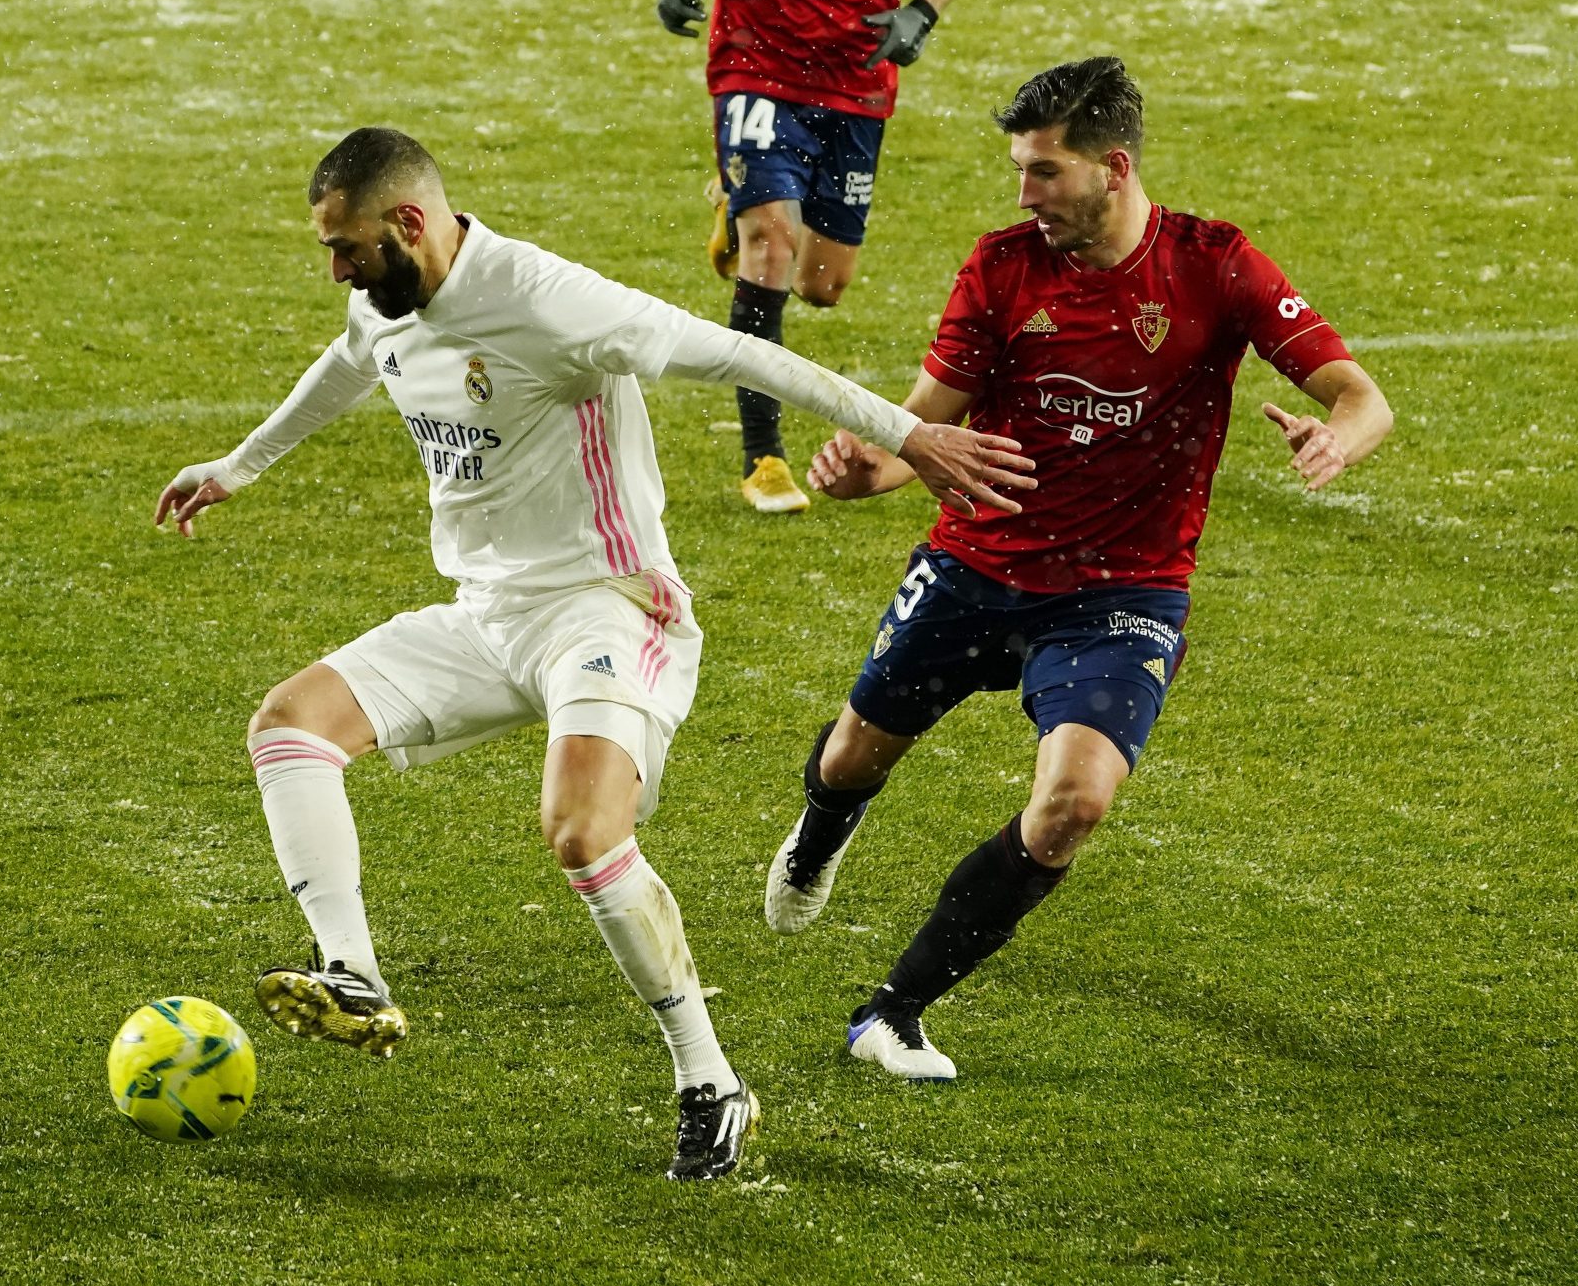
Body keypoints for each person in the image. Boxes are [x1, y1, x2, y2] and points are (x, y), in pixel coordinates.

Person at [153, 128, 1031, 1176]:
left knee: (579, 833)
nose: (336, 270)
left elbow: (743, 352)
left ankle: (709, 1080)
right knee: (288, 724)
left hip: (606, 611)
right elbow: (348, 364)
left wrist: (909, 434)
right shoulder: (380, 300)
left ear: (410, 223)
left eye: (346, 247)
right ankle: (351, 975)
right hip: (485, 614)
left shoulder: (546, 298)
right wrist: (239, 466)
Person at [762, 58, 1395, 1082]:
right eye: (1018, 169)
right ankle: (820, 833)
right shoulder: (1003, 267)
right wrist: (864, 469)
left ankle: (892, 1011)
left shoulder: (1214, 264)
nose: (1023, 193)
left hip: (1123, 592)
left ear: (1113, 167)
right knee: (848, 760)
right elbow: (926, 425)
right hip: (977, 560)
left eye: (1042, 172)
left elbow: (1362, 396)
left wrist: (1336, 438)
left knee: (1073, 806)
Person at [654, 0, 985, 513]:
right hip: (756, 62)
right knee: (772, 245)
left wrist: (924, 10)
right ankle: (763, 458)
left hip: (854, 76)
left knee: (822, 286)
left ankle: (742, 201)